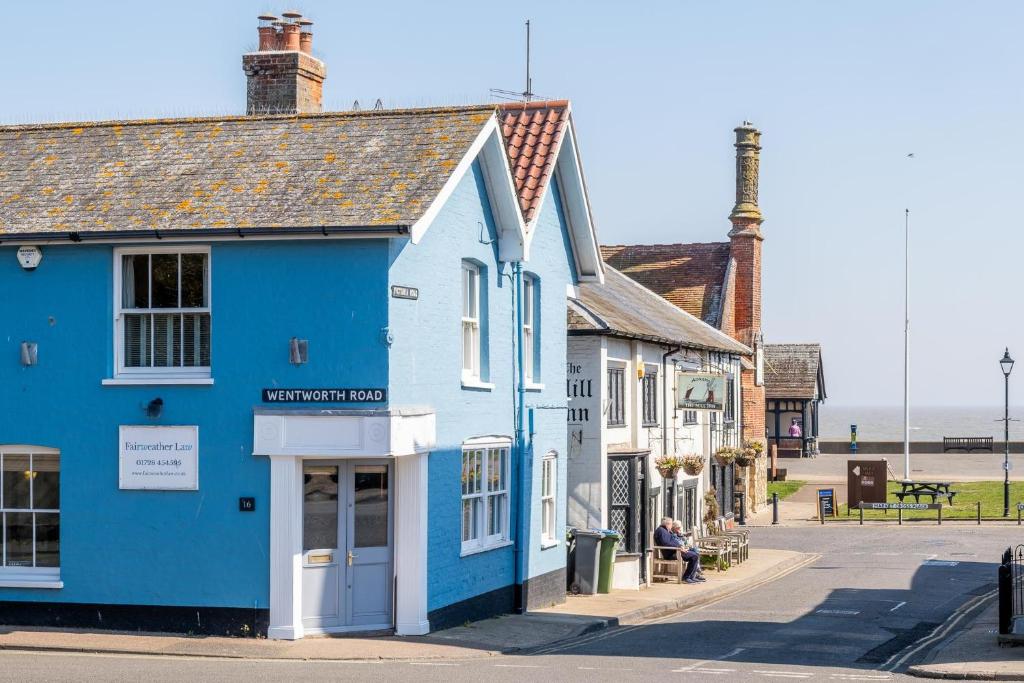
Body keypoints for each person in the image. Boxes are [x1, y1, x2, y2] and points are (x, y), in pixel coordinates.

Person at [654, 517, 700, 583]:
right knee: (694, 556)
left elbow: (671, 541)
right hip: (671, 554)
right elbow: (665, 543)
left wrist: (681, 547)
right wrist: (679, 548)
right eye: (671, 524)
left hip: (675, 551)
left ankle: (692, 577)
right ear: (667, 524)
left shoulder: (665, 530)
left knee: (694, 552)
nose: (672, 526)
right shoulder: (661, 531)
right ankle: (686, 577)